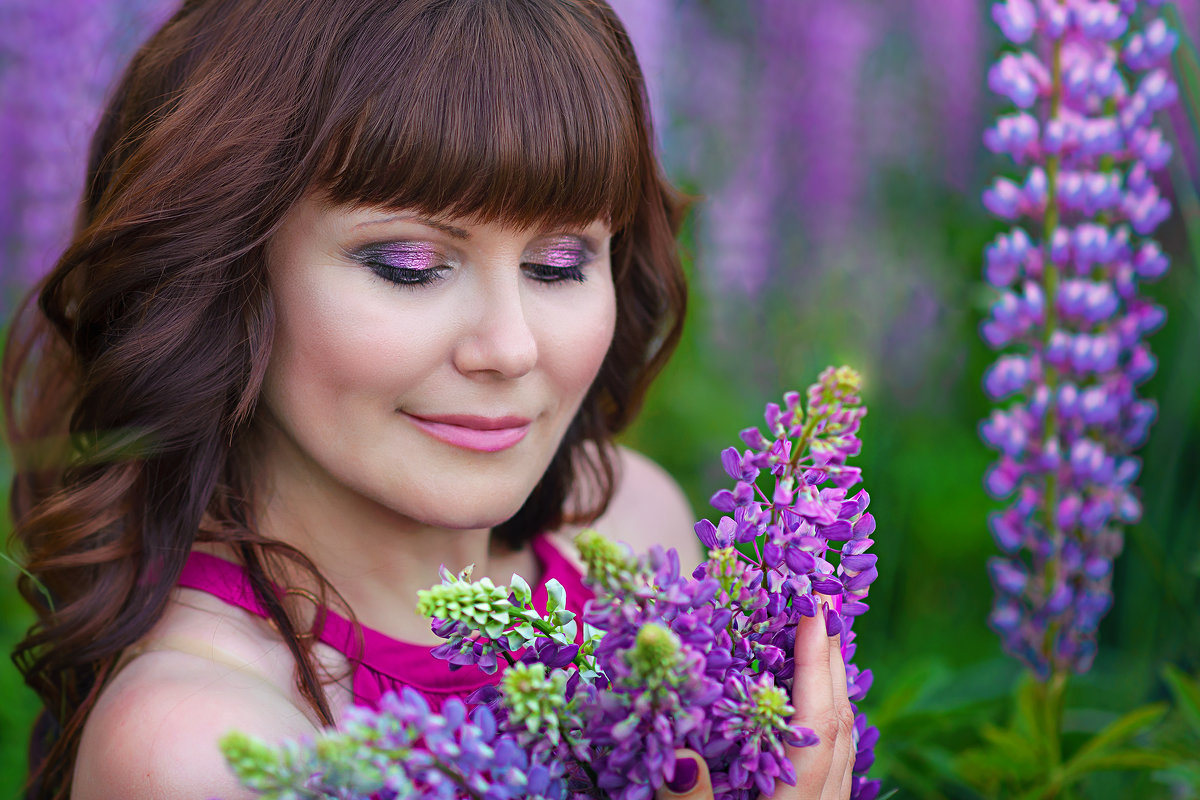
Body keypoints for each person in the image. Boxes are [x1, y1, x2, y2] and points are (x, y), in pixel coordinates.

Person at [1, 1, 857, 798]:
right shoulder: (202, 744)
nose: (509, 347)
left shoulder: (633, 530)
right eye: (409, 265)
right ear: (227, 272)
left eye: (559, 264)